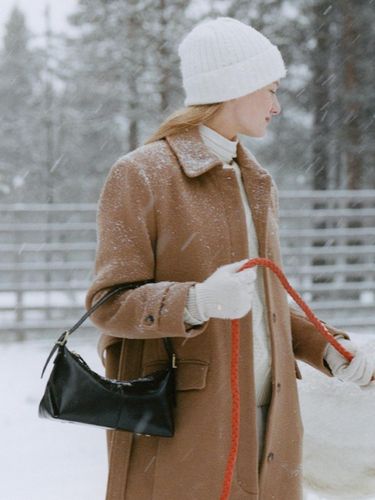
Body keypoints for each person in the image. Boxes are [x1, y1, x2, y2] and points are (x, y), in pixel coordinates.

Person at [85, 17, 375, 500]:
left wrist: (327, 349)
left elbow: (266, 303)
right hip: (190, 426)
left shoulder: (256, 180)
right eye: (271, 89)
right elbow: (108, 304)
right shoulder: (141, 174)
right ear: (234, 88)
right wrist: (194, 302)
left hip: (274, 426)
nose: (277, 106)